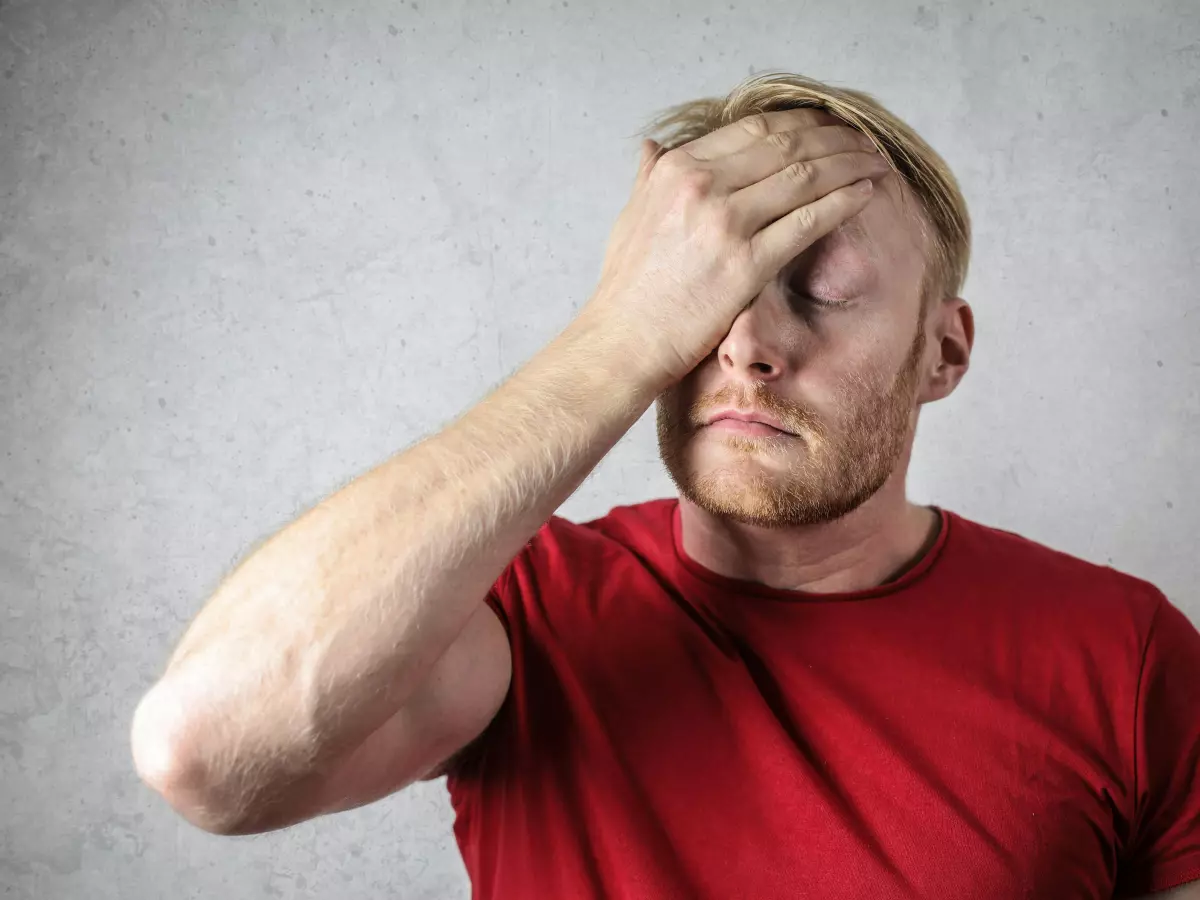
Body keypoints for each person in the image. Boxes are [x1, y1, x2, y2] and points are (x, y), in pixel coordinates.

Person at [130, 72, 1200, 899]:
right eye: (702, 293)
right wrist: (621, 333)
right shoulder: (519, 612)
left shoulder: (1127, 650)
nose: (746, 345)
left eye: (821, 290)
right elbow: (205, 757)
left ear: (943, 353)